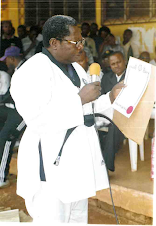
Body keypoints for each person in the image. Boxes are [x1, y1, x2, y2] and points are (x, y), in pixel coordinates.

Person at [10, 15, 125, 223]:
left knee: (77, 219)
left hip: (77, 166)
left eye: (81, 41)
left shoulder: (77, 69)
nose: (81, 46)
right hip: (51, 169)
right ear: (54, 43)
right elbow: (37, 119)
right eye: (76, 42)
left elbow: (88, 110)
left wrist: (110, 97)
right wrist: (78, 99)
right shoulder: (31, 71)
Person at [0, 46, 26, 188]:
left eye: (6, 60)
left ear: (12, 58)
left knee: (7, 137)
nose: (6, 63)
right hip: (17, 109)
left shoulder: (24, 70)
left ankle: (1, 176)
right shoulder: (19, 69)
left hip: (26, 112)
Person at [100, 51, 126, 171]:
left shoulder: (132, 77)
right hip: (107, 112)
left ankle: (106, 164)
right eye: (113, 64)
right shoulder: (106, 77)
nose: (116, 66)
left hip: (125, 113)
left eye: (118, 62)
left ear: (124, 61)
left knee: (116, 123)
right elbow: (102, 97)